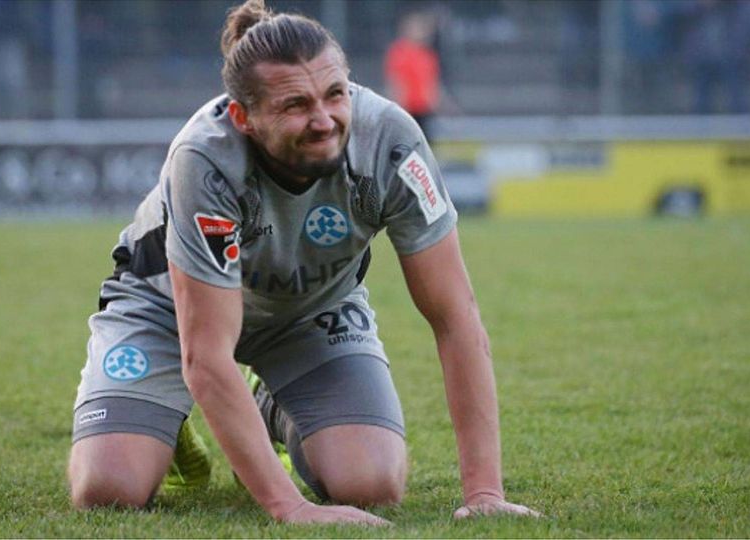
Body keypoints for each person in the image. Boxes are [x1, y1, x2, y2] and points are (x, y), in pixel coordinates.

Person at [68, 0, 539, 526]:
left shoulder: (391, 143)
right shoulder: (203, 159)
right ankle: (165, 413)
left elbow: (455, 316)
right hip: (167, 317)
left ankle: (272, 403)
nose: (324, 120)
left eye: (335, 94)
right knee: (109, 490)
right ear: (244, 117)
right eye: (295, 105)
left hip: (307, 313)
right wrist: (290, 508)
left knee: (371, 482)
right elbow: (204, 354)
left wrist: (484, 493)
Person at [383, 10, 442, 143]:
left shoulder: (427, 55)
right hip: (408, 109)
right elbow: (396, 82)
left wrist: (437, 105)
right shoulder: (399, 52)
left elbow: (431, 84)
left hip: (424, 110)